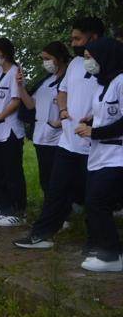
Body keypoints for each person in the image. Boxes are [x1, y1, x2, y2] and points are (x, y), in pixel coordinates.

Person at [15, 16, 105, 250]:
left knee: (95, 198)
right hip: (68, 141)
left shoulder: (109, 65)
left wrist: (94, 121)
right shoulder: (75, 64)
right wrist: (64, 110)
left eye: (78, 38)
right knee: (55, 190)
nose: (73, 43)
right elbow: (62, 91)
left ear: (93, 37)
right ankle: (41, 234)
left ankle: (99, 243)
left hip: (95, 144)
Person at [74, 38, 123, 272]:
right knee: (93, 202)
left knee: (98, 201)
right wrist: (91, 121)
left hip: (117, 154)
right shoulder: (103, 83)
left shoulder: (122, 81)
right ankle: (106, 249)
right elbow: (106, 113)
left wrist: (95, 131)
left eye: (89, 57)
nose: (87, 63)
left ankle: (111, 253)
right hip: (100, 155)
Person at [18, 41, 71, 194]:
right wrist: (20, 87)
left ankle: (64, 211)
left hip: (59, 137)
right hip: (41, 136)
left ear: (59, 58)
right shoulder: (45, 81)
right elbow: (30, 105)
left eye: (47, 58)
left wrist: (58, 123)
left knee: (59, 178)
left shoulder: (69, 80)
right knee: (45, 177)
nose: (44, 62)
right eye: (42, 59)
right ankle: (51, 209)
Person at [0, 37, 27, 226]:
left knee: (12, 172)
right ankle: (5, 209)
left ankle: (17, 210)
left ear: (4, 52)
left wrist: (0, 116)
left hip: (9, 129)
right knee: (0, 172)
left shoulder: (14, 72)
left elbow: (15, 100)